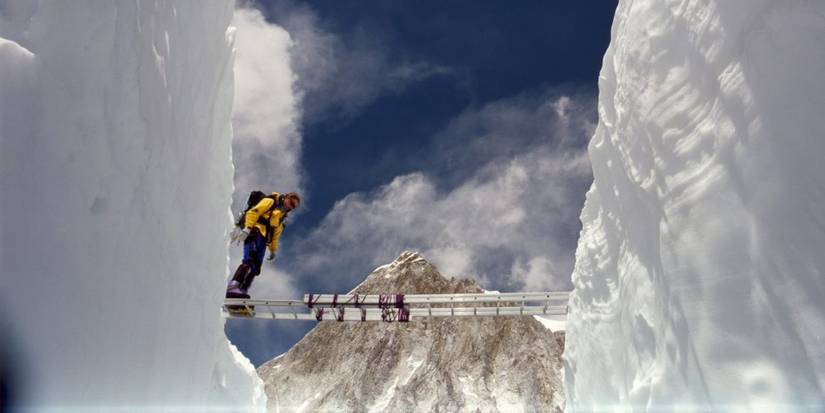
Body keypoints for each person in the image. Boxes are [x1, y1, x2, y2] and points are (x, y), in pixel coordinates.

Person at [226, 191, 301, 298]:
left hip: (264, 240)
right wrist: (247, 228)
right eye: (291, 202)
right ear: (287, 197)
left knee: (256, 268)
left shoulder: (281, 217)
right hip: (255, 231)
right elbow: (253, 212)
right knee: (250, 259)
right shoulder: (270, 202)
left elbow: (276, 235)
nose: (291, 206)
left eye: (294, 206)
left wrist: (273, 250)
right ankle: (233, 286)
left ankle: (242, 290)